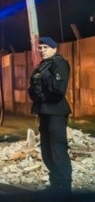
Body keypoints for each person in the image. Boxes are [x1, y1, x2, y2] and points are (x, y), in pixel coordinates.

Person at [28, 36, 72, 193]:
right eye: (40, 48)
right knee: (46, 152)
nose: (42, 50)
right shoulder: (42, 66)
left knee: (58, 150)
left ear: (54, 48)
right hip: (43, 110)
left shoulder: (60, 65)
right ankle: (55, 186)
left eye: (45, 47)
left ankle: (65, 188)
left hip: (56, 112)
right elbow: (33, 87)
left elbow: (59, 89)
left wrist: (45, 76)